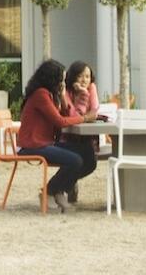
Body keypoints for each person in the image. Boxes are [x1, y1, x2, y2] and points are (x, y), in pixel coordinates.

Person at [15, 59, 93, 213]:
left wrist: (63, 96)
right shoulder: (40, 95)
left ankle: (59, 190)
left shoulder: (50, 95)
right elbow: (60, 121)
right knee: (75, 160)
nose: (63, 83)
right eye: (61, 80)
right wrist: (85, 118)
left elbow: (64, 114)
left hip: (45, 143)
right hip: (32, 145)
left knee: (88, 155)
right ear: (52, 79)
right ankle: (49, 192)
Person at [64, 60, 104, 176]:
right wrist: (83, 94)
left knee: (90, 162)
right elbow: (74, 116)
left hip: (88, 136)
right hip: (68, 135)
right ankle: (64, 185)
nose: (84, 80)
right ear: (73, 77)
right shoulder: (66, 92)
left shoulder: (92, 88)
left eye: (87, 76)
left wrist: (86, 116)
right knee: (77, 160)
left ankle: (66, 183)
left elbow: (94, 110)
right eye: (80, 76)